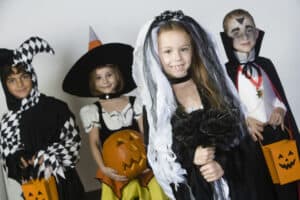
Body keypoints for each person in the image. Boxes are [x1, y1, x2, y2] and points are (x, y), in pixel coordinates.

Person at [132, 10, 258, 200]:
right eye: (168, 51)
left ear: (194, 49)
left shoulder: (212, 90)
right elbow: (157, 159)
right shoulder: (156, 107)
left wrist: (221, 165)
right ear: (156, 55)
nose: (177, 58)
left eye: (184, 49)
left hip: (234, 188)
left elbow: (241, 143)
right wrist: (191, 156)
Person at [62, 27, 168, 200]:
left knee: (155, 188)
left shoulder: (134, 103)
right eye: (99, 77)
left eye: (109, 75)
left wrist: (150, 160)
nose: (105, 81)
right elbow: (95, 143)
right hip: (115, 168)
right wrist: (103, 168)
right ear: (93, 82)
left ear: (117, 76)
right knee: (126, 193)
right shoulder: (93, 111)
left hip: (143, 164)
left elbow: (144, 133)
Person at [220, 8, 300, 200]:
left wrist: (280, 109)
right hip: (251, 141)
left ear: (257, 32)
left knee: (287, 186)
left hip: (276, 136)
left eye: (249, 29)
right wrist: (243, 121)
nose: (244, 36)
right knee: (259, 188)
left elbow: (277, 96)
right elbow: (224, 109)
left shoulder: (266, 65)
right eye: (236, 32)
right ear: (227, 39)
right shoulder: (224, 73)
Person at [0, 37, 84, 199]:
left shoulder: (57, 108)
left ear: (32, 76)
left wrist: (46, 157)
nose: (19, 84)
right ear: (6, 86)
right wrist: (20, 160)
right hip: (35, 189)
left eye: (24, 76)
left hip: (66, 186)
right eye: (12, 80)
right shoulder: (7, 121)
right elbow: (9, 158)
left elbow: (73, 144)